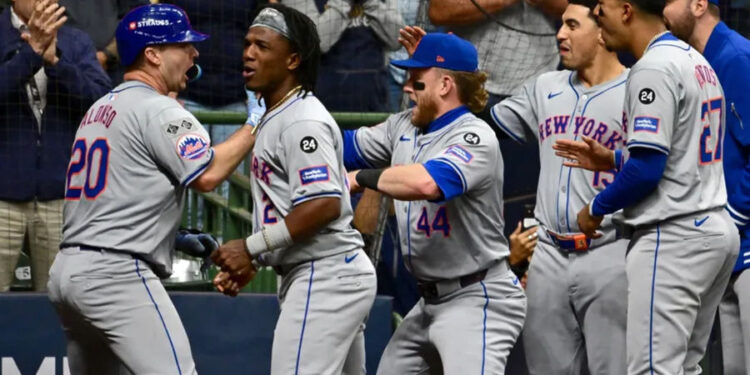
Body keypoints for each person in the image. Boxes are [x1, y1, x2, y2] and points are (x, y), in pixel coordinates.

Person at [46, 4, 257, 373]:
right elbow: (207, 175)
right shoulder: (160, 109)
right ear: (153, 54)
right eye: (183, 45)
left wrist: (173, 237)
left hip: (69, 274)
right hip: (116, 274)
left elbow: (111, 200)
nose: (194, 53)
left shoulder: (100, 108)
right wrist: (258, 122)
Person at [553, 0, 739, 373]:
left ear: (627, 10)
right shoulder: (694, 58)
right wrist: (614, 159)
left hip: (674, 238)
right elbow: (680, 154)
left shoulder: (652, 66)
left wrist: (595, 209)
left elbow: (647, 170)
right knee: (684, 367)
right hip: (713, 229)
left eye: (602, 7)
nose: (596, 15)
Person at [343, 32, 526, 374]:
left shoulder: (474, 137)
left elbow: (427, 183)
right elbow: (341, 145)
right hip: (428, 302)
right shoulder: (404, 127)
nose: (407, 87)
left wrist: (361, 178)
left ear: (445, 86)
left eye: (417, 80)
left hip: (478, 298)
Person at [209, 5, 377, 375]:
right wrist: (260, 258)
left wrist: (249, 247)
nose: (248, 53)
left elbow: (324, 206)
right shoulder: (278, 114)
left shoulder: (302, 121)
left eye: (263, 47)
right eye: (248, 43)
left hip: (325, 274)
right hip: (324, 272)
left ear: (292, 60)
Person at [491, 1, 630, 373]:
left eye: (571, 25)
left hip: (611, 251)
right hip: (548, 253)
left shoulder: (637, 89)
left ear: (602, 32)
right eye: (561, 24)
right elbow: (484, 125)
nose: (560, 33)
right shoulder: (544, 86)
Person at [661, 0, 750, 373]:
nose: (662, 8)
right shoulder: (695, 62)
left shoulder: (737, 59)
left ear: (699, 4)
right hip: (727, 245)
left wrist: (729, 219)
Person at [0, 0, 111, 292]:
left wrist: (57, 62)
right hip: (2, 198)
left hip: (60, 197)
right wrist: (30, 54)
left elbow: (101, 101)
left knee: (59, 305)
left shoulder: (74, 41)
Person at [284, 0, 402, 112]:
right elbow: (316, 43)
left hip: (375, 98)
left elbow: (397, 40)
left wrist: (370, 2)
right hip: (322, 102)